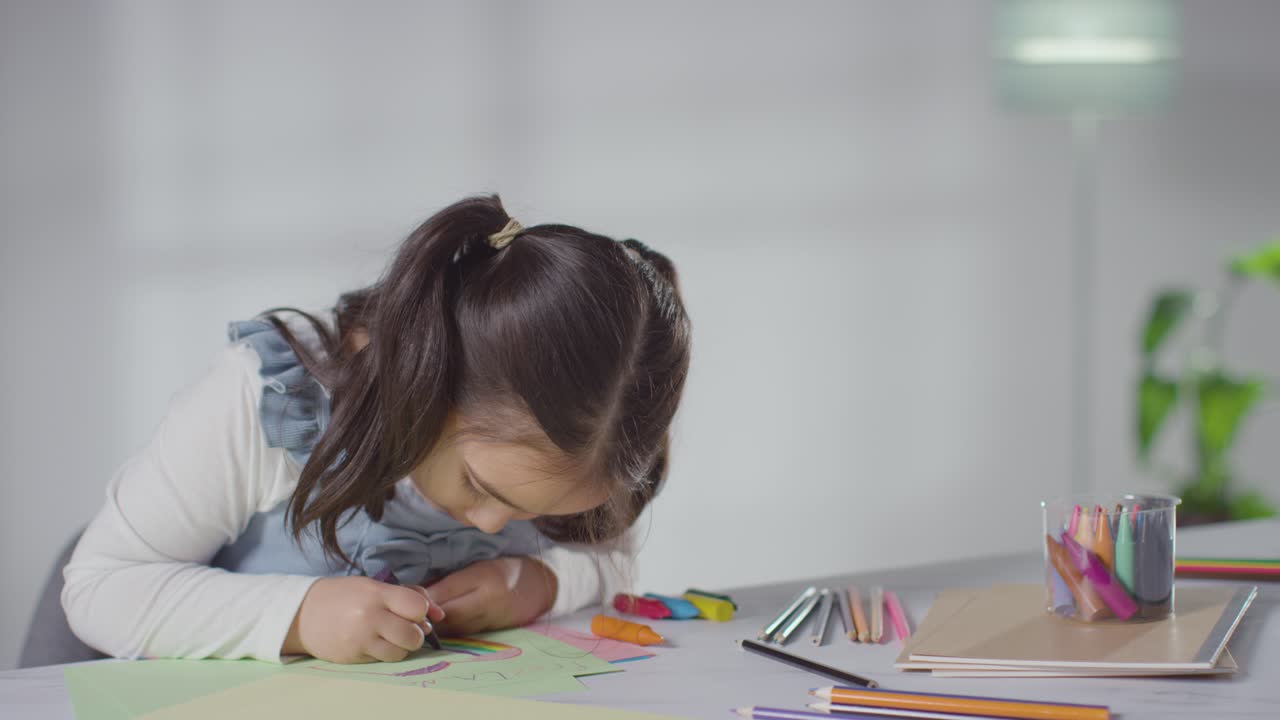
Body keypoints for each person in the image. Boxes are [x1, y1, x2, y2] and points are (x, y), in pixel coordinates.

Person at [61, 195, 692, 665]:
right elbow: (100, 588)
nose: (497, 527)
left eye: (546, 511)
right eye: (482, 486)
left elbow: (611, 559)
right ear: (430, 379)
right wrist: (299, 618)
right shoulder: (275, 399)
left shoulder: (582, 434)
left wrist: (540, 583)